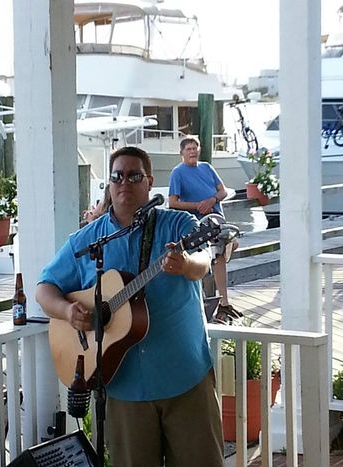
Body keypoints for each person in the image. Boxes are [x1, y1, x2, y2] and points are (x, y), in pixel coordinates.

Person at [36, 146, 224, 467]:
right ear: (108, 184)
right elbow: (44, 289)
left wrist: (185, 263)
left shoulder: (177, 223)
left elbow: (204, 261)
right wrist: (68, 311)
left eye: (134, 175)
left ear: (149, 182)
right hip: (122, 385)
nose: (125, 182)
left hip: (184, 377)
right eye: (117, 176)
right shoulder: (88, 241)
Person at [168, 135, 243, 322]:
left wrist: (212, 200)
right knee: (218, 254)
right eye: (188, 149)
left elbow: (223, 191)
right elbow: (173, 203)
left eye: (195, 148)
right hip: (200, 224)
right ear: (182, 153)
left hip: (218, 220)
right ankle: (221, 302)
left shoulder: (207, 167)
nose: (192, 151)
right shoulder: (178, 173)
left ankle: (222, 303)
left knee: (230, 246)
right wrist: (198, 206)